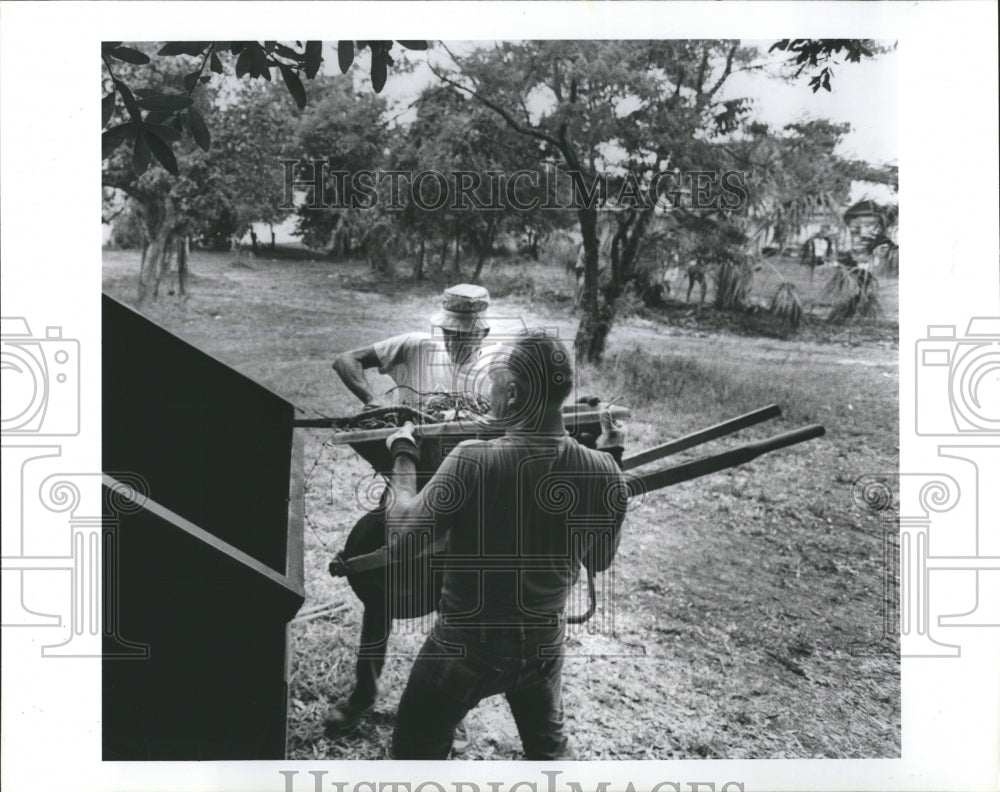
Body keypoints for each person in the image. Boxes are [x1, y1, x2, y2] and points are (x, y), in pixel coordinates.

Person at [382, 330, 628, 759]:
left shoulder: (472, 459)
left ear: (513, 393)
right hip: (543, 646)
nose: (488, 390)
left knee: (413, 756)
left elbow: (402, 540)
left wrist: (403, 455)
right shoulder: (603, 469)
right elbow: (600, 558)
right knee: (549, 753)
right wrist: (612, 477)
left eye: (494, 380)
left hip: (467, 646)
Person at [323, 284, 492, 736]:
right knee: (379, 587)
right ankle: (364, 692)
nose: (458, 342)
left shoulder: (494, 373)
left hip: (463, 493)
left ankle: (445, 710)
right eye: (452, 333)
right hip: (407, 477)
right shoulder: (416, 347)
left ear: (484, 332)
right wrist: (373, 402)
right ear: (442, 327)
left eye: (467, 335)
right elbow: (346, 361)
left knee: (461, 607)